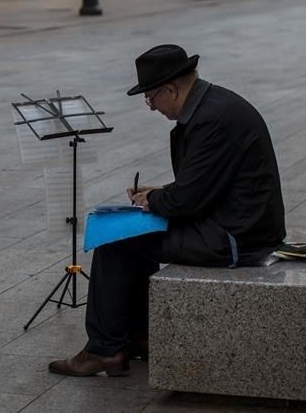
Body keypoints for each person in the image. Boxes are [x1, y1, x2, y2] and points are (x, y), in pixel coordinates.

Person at [48, 45, 286, 377]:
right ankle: (139, 336)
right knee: (136, 233)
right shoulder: (213, 107)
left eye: (150, 98)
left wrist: (155, 200)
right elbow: (203, 185)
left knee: (115, 240)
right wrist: (158, 194)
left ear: (170, 89)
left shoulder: (211, 120)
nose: (150, 107)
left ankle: (104, 350)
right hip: (233, 223)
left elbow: (187, 201)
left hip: (236, 238)